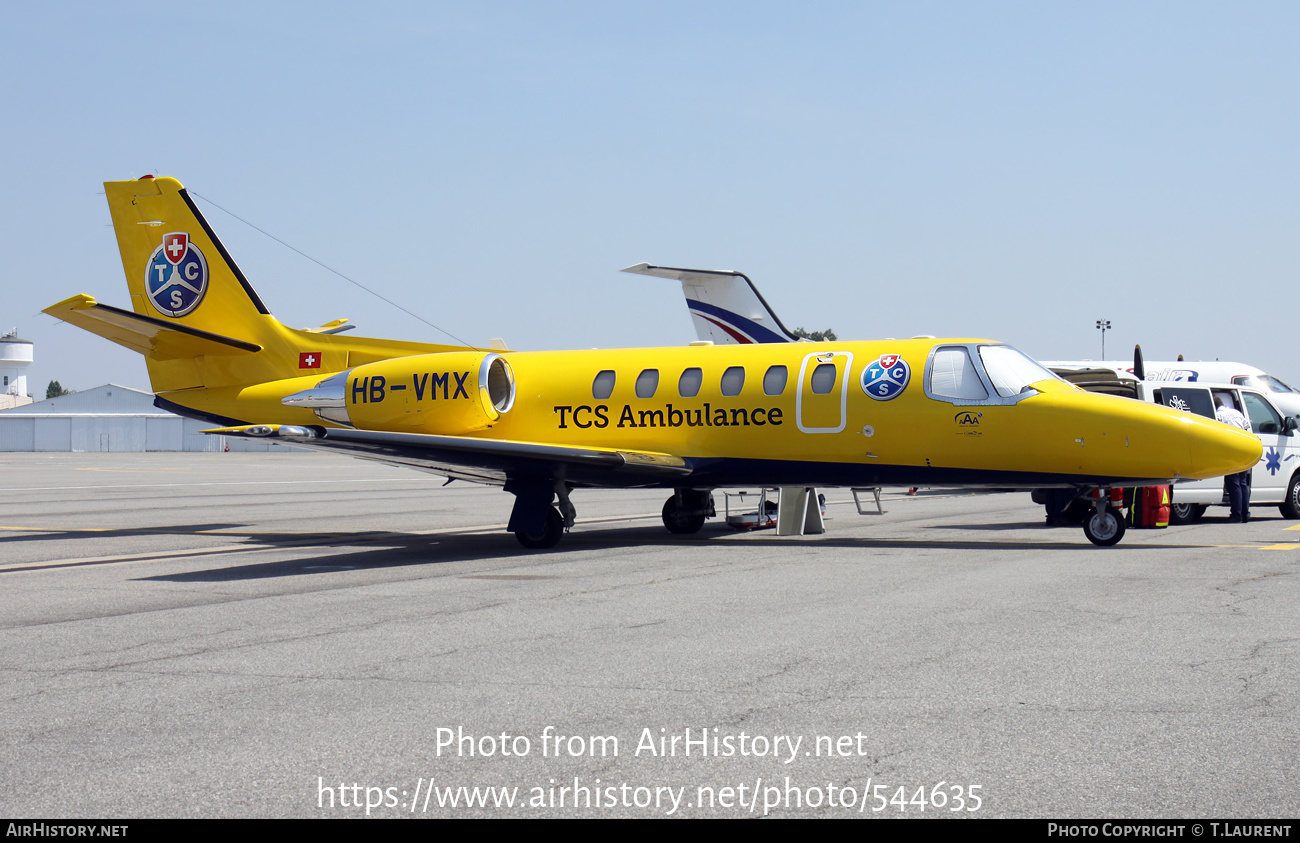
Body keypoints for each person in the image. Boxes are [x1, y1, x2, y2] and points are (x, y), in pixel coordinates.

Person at [1215, 394, 1253, 522]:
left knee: (1233, 482)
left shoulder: (1218, 416)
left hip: (1231, 450)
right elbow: (1248, 429)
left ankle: (1236, 515)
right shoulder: (1236, 412)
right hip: (1243, 447)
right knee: (1243, 482)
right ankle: (1245, 513)